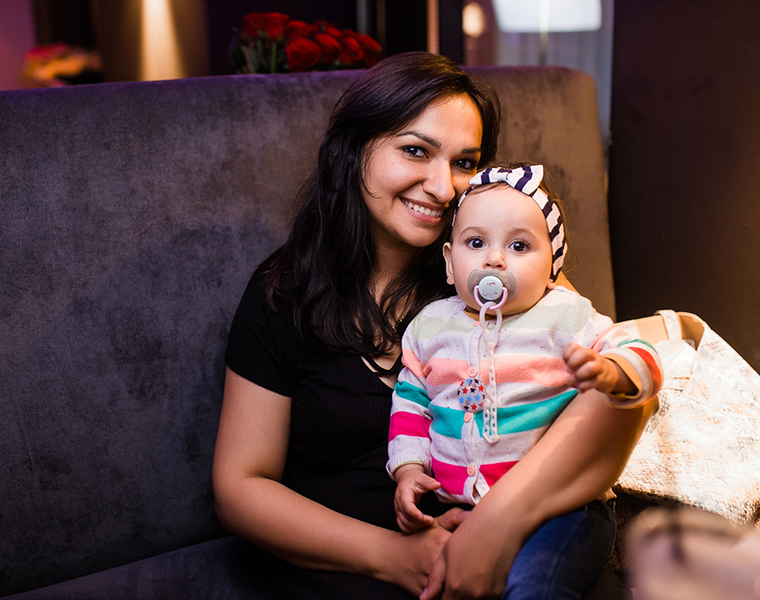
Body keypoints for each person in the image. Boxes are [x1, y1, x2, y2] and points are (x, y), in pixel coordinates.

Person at [213, 51, 656, 599]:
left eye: (465, 162)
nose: (444, 188)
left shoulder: (494, 273)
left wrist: (496, 527)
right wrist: (394, 557)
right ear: (354, 150)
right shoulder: (286, 293)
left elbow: (622, 402)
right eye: (415, 151)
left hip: (515, 557)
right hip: (354, 573)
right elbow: (240, 487)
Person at [388, 164, 663, 598]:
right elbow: (410, 400)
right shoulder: (429, 327)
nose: (494, 259)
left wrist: (614, 371)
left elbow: (638, 349)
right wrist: (408, 469)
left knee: (535, 586)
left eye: (519, 246)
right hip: (457, 507)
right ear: (449, 262)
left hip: (564, 511)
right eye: (475, 243)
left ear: (552, 267)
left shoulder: (565, 315)